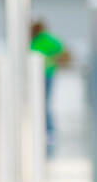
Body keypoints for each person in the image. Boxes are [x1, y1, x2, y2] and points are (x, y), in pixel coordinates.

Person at [30, 18, 71, 153]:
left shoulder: (47, 39)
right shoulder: (34, 40)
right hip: (34, 77)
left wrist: (53, 61)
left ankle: (49, 132)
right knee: (38, 105)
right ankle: (39, 131)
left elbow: (65, 54)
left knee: (44, 104)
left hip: (46, 75)